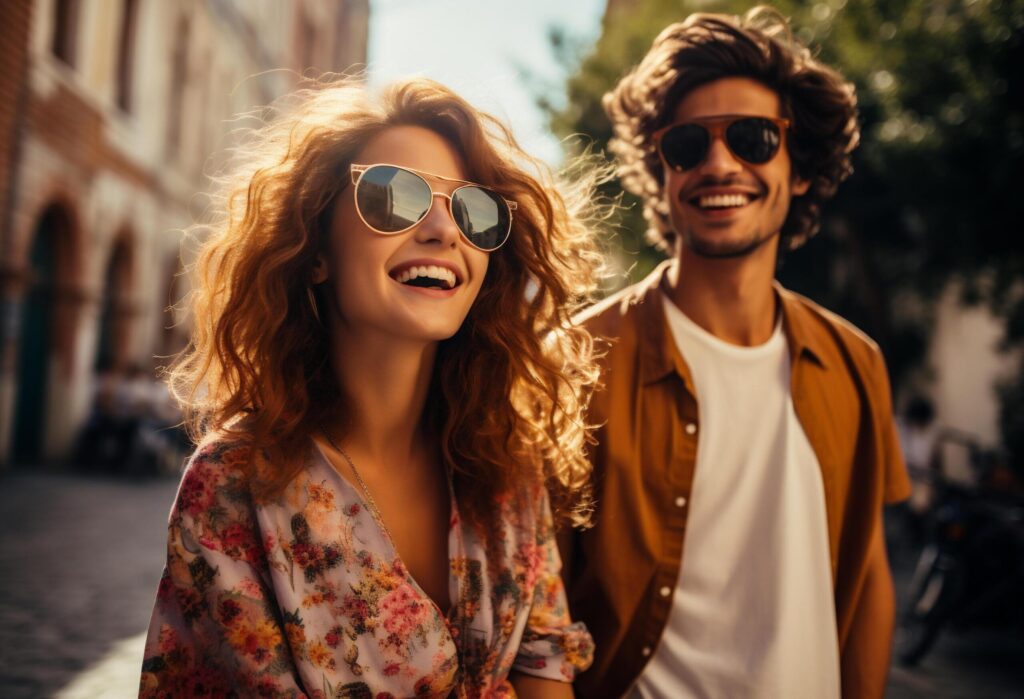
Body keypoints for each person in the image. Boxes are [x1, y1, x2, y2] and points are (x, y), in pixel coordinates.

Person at [140, 77, 601, 698]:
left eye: (473, 208)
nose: (444, 230)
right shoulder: (234, 483)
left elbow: (546, 669)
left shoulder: (509, 472)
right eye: (393, 197)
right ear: (316, 248)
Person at [561, 8, 912, 699]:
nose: (720, 163)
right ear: (662, 171)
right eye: (687, 144)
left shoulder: (856, 360)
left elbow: (868, 573)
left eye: (753, 139)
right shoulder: (574, 361)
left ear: (800, 167)